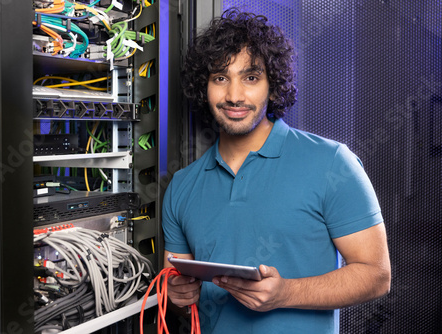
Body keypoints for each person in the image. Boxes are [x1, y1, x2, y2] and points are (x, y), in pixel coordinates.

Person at [162, 8, 391, 334]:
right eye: (220, 78)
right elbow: (182, 295)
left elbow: (376, 275)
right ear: (204, 86)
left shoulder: (332, 163)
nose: (234, 95)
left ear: (274, 84)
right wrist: (176, 297)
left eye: (251, 77)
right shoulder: (182, 186)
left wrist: (287, 293)